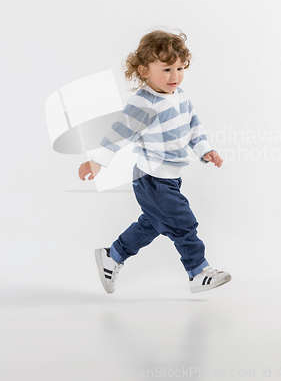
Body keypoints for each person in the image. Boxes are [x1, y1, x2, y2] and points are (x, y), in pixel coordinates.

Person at [78, 30, 231, 294]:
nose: (175, 76)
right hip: (152, 180)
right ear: (144, 70)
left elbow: (193, 126)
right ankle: (198, 271)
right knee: (184, 223)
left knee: (152, 224)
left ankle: (112, 255)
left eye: (180, 68)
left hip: (170, 179)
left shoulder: (180, 97)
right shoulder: (143, 103)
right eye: (167, 69)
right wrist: (97, 161)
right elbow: (119, 132)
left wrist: (205, 149)